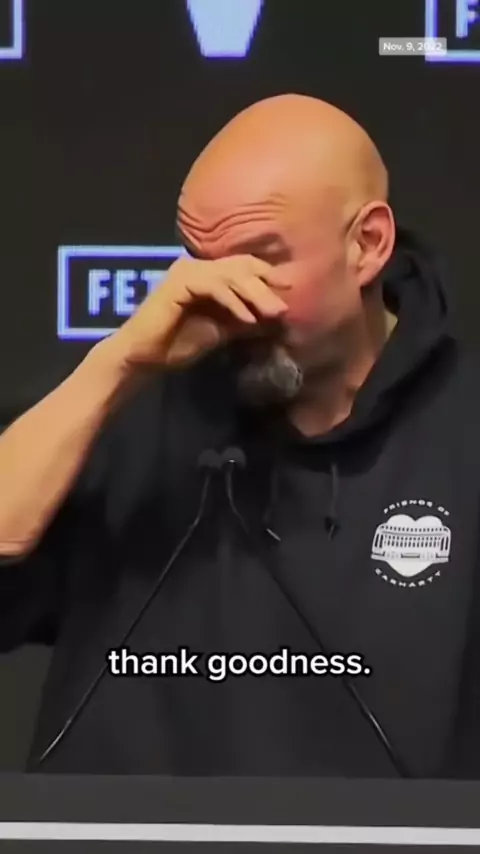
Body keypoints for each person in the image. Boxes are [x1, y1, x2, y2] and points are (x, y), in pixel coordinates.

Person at [0, 93, 479, 778]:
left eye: (263, 257)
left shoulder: (461, 430)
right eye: (201, 260)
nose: (229, 294)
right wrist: (116, 365)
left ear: (368, 244)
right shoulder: (125, 411)